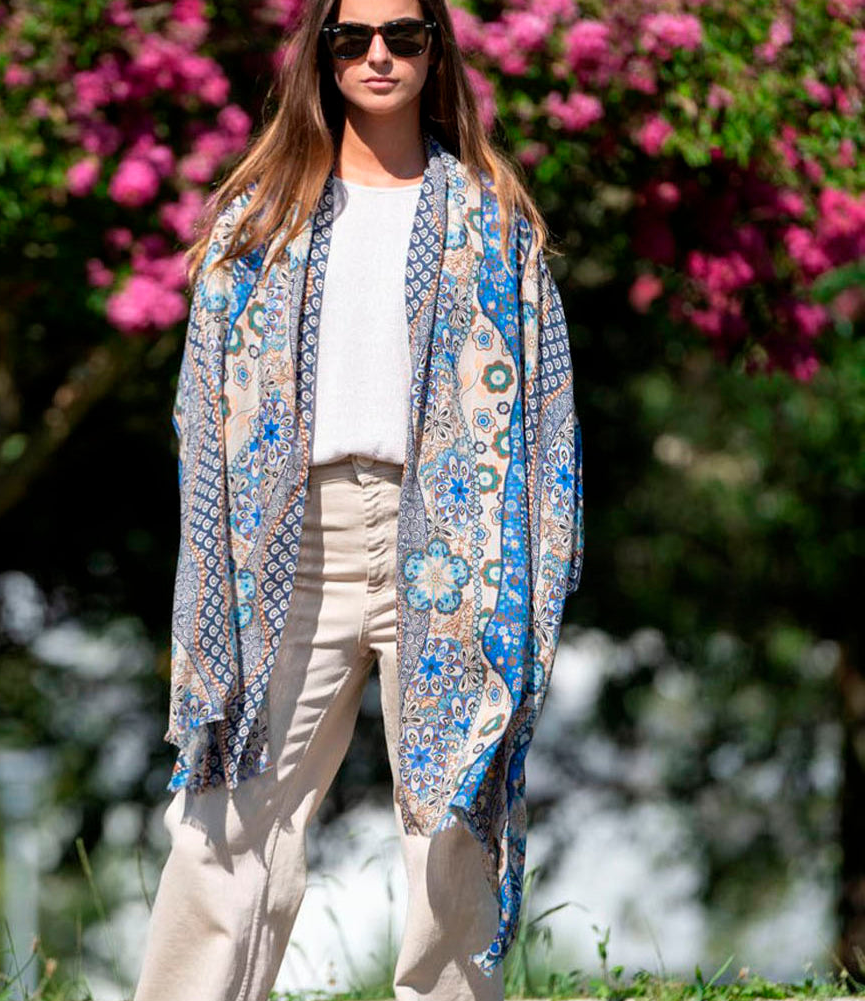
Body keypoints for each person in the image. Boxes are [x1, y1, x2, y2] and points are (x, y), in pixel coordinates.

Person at [133, 0, 584, 998]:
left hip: (459, 544)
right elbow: (200, 411)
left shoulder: (493, 220)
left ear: (435, 51)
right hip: (291, 544)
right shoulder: (258, 217)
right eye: (352, 37)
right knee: (227, 818)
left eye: (403, 36)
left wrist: (537, 573)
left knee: (452, 826)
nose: (379, 55)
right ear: (323, 54)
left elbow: (548, 422)